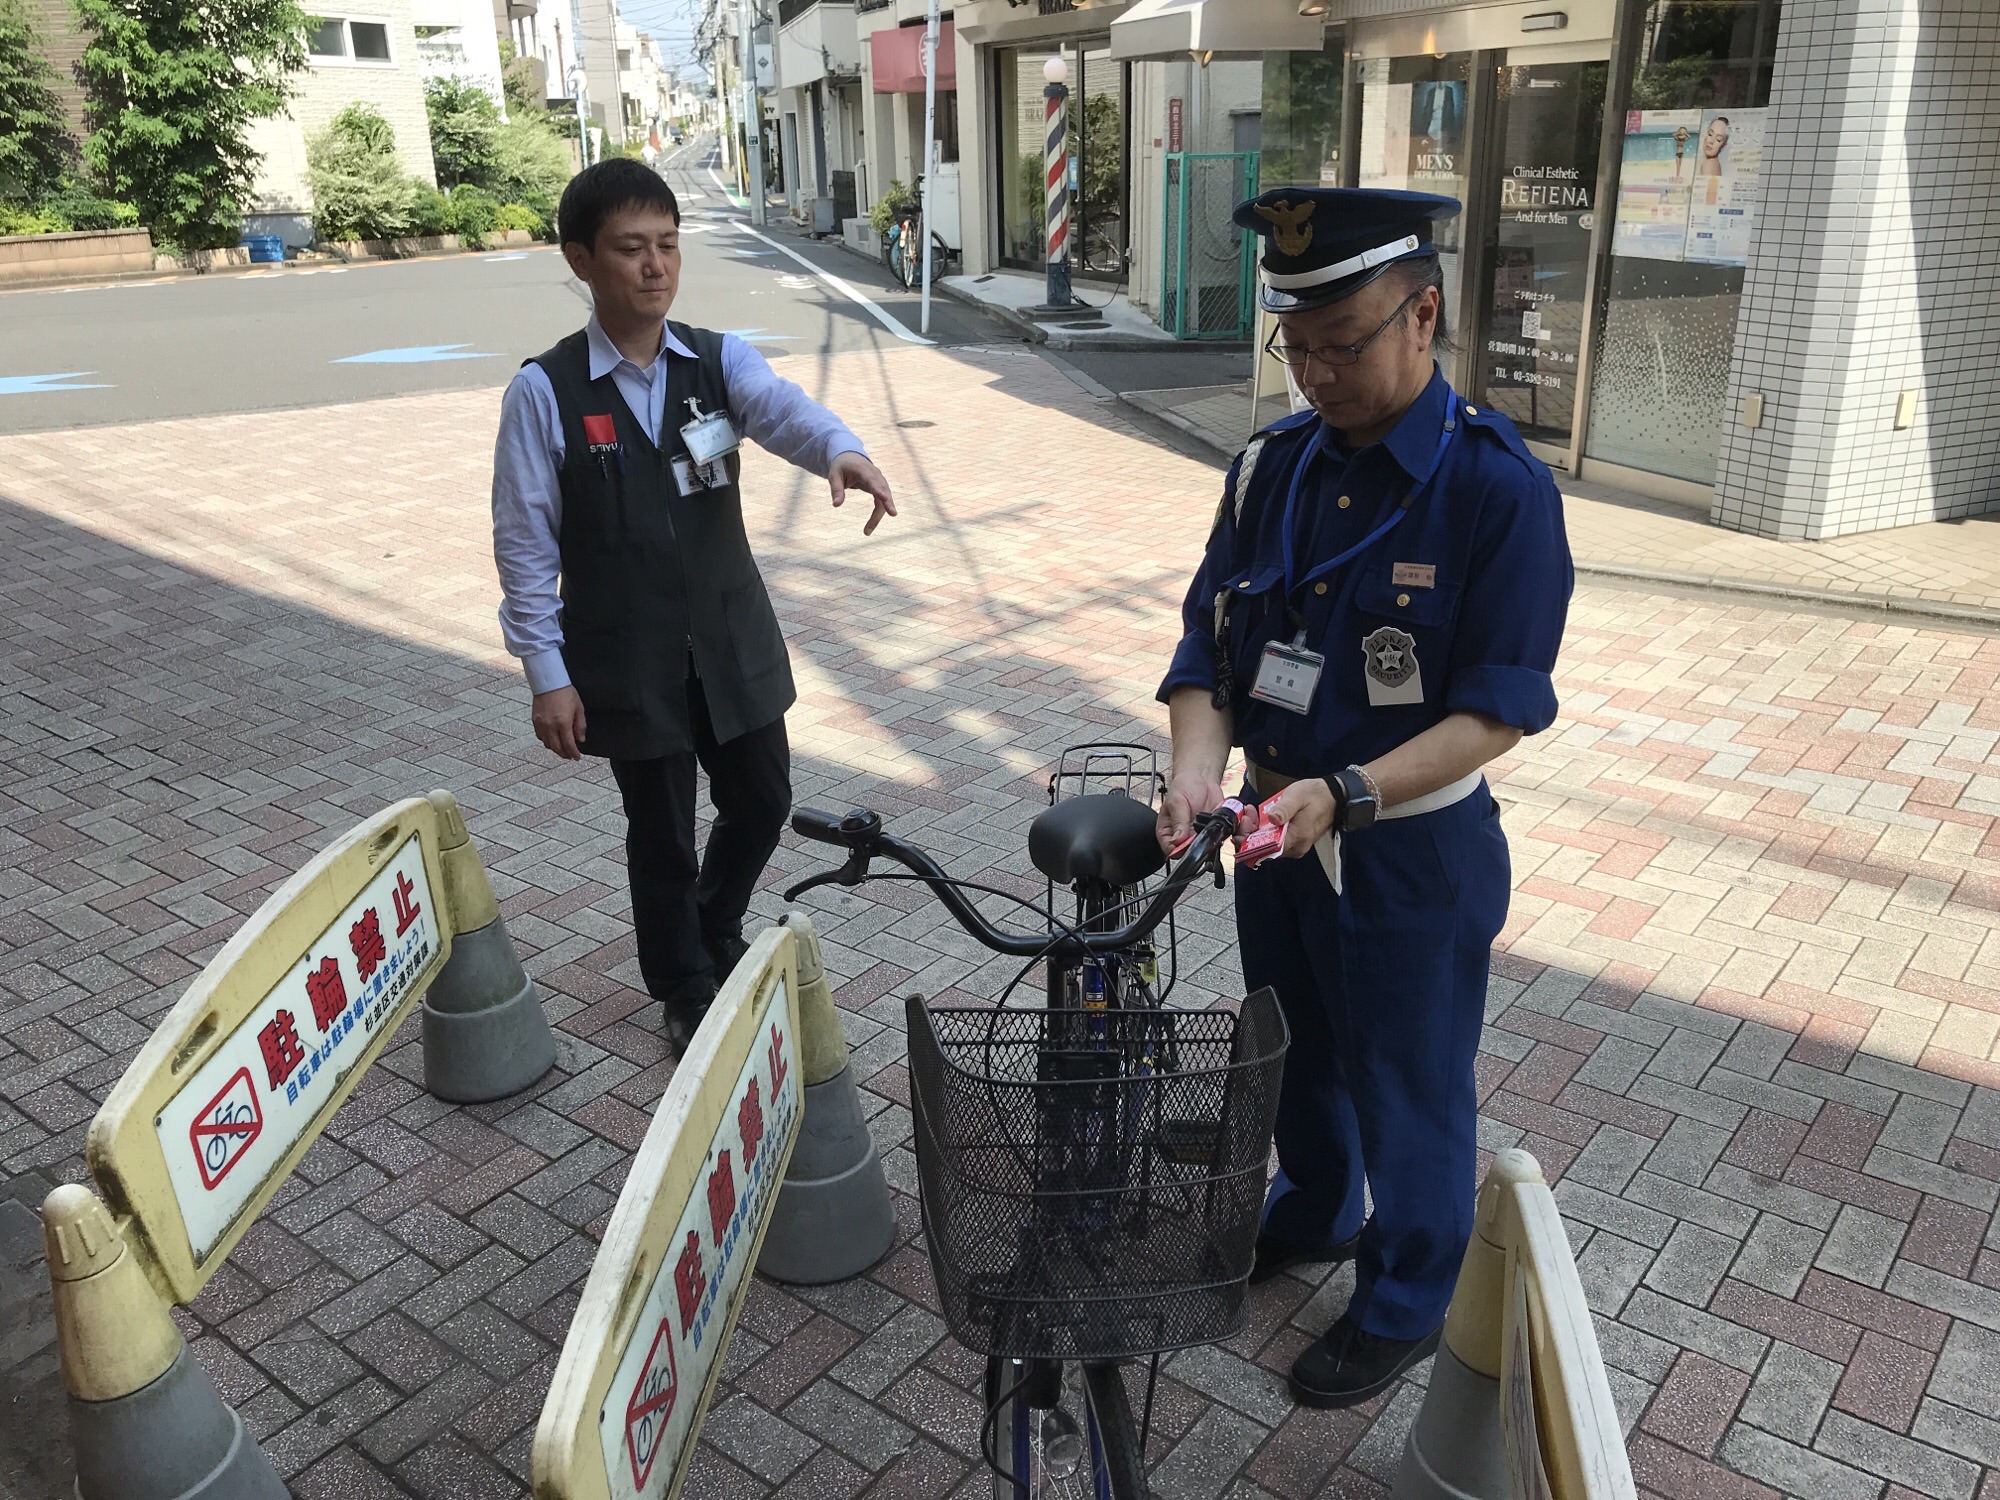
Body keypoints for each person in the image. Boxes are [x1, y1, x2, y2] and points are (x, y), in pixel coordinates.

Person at [1155, 187, 1572, 1409]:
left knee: (1409, 1075)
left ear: (1422, 312)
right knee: (1294, 1047)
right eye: (1297, 344)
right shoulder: (1268, 471)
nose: (1317, 374)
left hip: (1403, 848)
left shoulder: (1497, 490)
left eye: (1343, 343)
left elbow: (1495, 711)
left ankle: (1403, 1294)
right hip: (1276, 830)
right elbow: (1207, 649)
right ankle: (1319, 1205)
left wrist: (1346, 791)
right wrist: (1196, 759)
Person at [491, 158, 896, 1052]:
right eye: (631, 249)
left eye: (668, 246)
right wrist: (546, 675)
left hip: (729, 639)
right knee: (663, 830)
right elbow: (523, 545)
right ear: (582, 259)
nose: (655, 267)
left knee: (762, 798)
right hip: (626, 655)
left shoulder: (716, 361)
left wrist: (841, 450)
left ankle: (713, 923)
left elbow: (783, 411)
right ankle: (682, 981)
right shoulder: (544, 392)